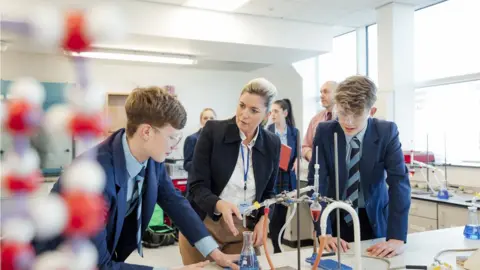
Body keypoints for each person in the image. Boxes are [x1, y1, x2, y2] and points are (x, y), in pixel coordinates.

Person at [33, 87, 238, 270]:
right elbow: (98, 265)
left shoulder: (151, 158)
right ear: (146, 131)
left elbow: (174, 202)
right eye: (172, 137)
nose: (175, 145)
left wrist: (215, 252)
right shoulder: (94, 179)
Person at [179, 78, 281, 264]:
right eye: (241, 105)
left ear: (266, 115)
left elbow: (269, 193)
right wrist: (219, 204)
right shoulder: (213, 132)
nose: (244, 114)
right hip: (204, 225)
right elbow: (196, 186)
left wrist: (264, 220)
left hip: (243, 228)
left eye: (254, 110)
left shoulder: (272, 143)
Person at [308, 76, 411, 258]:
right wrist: (324, 231)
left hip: (374, 218)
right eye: (343, 113)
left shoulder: (386, 132)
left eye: (356, 115)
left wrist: (396, 238)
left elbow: (399, 183)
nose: (348, 122)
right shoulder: (324, 132)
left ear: (372, 111)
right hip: (335, 217)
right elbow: (317, 183)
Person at [266, 99, 299, 253]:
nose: (273, 115)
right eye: (271, 111)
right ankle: (277, 247)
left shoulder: (294, 132)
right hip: (272, 176)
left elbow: (298, 153)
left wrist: (298, 159)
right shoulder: (267, 131)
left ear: (285, 113)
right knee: (273, 213)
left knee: (282, 213)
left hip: (286, 177)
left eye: (276, 111)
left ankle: (277, 244)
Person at [302, 81, 338, 162]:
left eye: (325, 92)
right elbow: (305, 146)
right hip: (318, 170)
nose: (321, 96)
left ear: (337, 94)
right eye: (321, 92)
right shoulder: (315, 120)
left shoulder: (345, 119)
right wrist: (313, 158)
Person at [183, 108, 217, 175]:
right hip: (197, 182)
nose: (208, 121)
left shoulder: (219, 140)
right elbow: (186, 165)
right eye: (205, 118)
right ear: (201, 121)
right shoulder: (192, 139)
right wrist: (202, 163)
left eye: (211, 118)